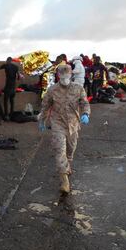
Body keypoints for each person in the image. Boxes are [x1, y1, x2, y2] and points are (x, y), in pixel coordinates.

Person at [38, 64, 91, 194]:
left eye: (67, 75)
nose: (64, 77)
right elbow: (45, 106)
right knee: (59, 150)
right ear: (58, 75)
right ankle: (64, 181)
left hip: (73, 124)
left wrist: (85, 114)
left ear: (71, 75)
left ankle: (67, 165)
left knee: (70, 150)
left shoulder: (78, 88)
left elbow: (84, 103)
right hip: (58, 123)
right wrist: (42, 120)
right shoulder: (52, 90)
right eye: (62, 75)